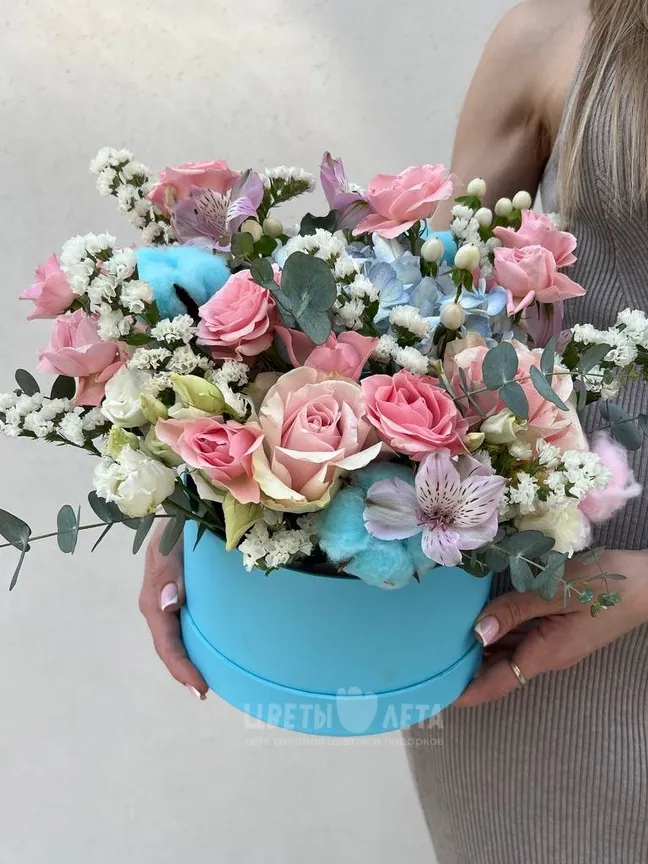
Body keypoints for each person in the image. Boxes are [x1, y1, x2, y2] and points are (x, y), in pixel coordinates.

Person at [139, 0, 648, 859]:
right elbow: (425, 319)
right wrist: (202, 486)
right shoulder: (565, 33)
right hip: (539, 613)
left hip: (579, 595)